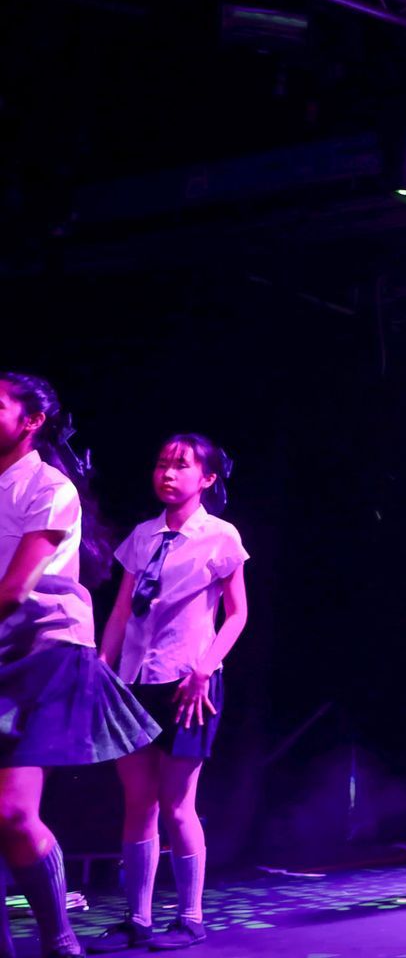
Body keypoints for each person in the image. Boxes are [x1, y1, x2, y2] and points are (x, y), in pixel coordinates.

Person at [0, 373, 158, 958]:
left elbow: (15, 590)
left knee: (12, 811)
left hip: (41, 653)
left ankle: (59, 939)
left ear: (31, 420)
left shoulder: (48, 488)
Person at [88, 435, 249, 952]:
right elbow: (119, 611)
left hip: (188, 684)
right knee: (138, 802)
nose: (168, 473)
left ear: (207, 479)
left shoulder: (220, 536)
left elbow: (237, 613)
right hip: (134, 683)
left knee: (178, 804)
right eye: (161, 464)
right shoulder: (141, 536)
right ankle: (137, 919)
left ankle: (191, 916)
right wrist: (103, 665)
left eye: (181, 466)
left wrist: (205, 668)